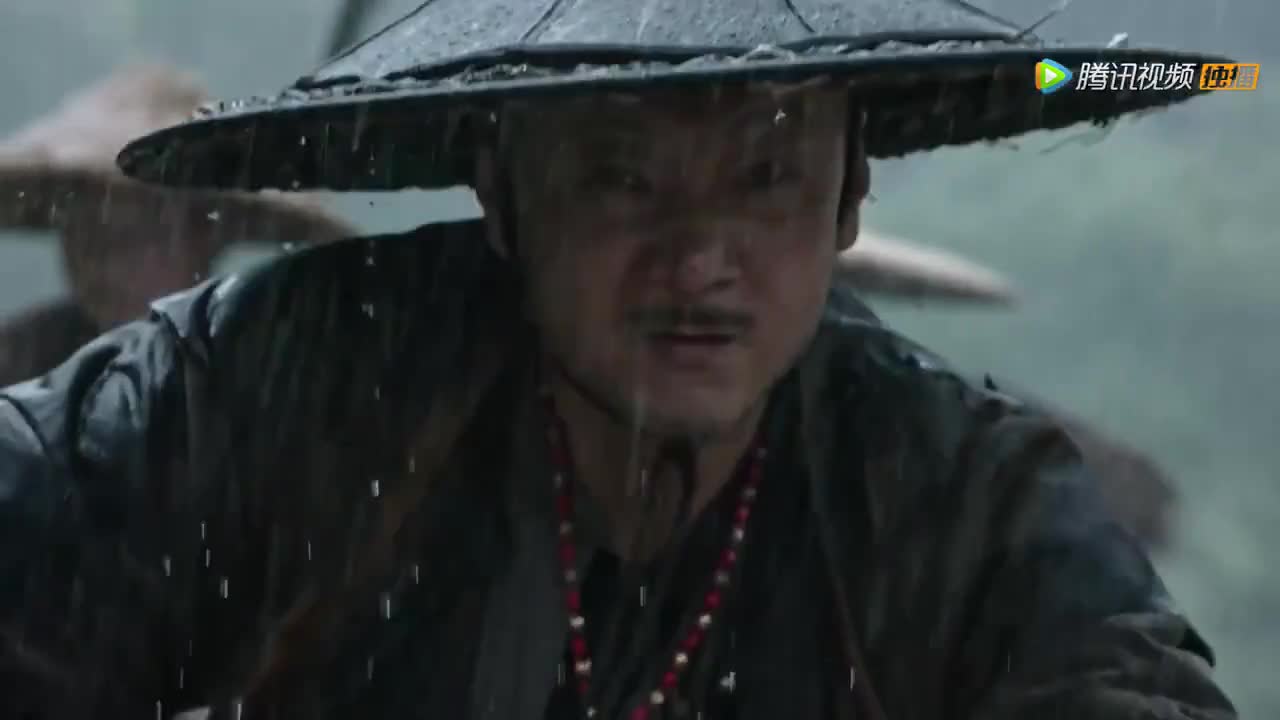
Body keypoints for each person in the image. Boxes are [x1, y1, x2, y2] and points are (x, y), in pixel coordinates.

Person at [0, 1, 1237, 718]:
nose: (698, 257)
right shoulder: (306, 378)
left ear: (845, 198)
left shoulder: (954, 496)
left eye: (766, 174)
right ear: (503, 191)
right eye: (622, 176)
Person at [0, 63, 355, 385]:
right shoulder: (21, 360)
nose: (94, 261)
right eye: (78, 230)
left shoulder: (270, 369)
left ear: (205, 233)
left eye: (125, 237)